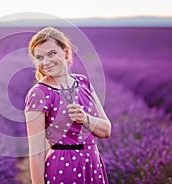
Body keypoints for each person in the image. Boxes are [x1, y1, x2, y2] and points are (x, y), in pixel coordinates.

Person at [24, 27, 111, 184]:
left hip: (92, 166)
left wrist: (85, 118)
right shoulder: (39, 94)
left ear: (65, 52)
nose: (46, 62)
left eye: (52, 53)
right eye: (39, 57)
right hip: (63, 170)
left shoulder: (83, 82)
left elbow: (106, 130)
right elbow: (36, 153)